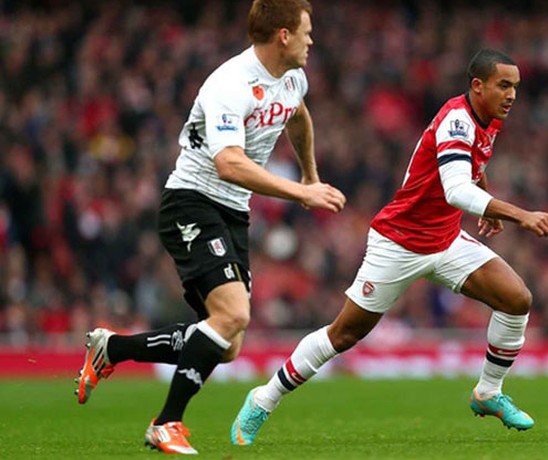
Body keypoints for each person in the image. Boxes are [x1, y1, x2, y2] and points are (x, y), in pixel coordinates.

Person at [231, 48, 548, 446]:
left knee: (516, 299)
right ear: (478, 86)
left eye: (515, 87)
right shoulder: (458, 120)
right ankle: (263, 399)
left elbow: (473, 168)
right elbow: (456, 190)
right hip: (399, 242)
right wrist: (518, 214)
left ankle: (488, 393)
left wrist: (486, 203)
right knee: (344, 334)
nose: (511, 95)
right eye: (504, 85)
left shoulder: (487, 119)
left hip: (446, 238)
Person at [74, 0, 345, 454]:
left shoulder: (293, 77)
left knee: (227, 343)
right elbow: (228, 164)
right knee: (233, 315)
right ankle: (166, 423)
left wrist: (310, 175)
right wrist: (301, 193)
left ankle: (113, 350)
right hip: (191, 202)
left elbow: (297, 115)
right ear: (283, 35)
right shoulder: (230, 83)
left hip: (232, 213)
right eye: (306, 32)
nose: (311, 40)